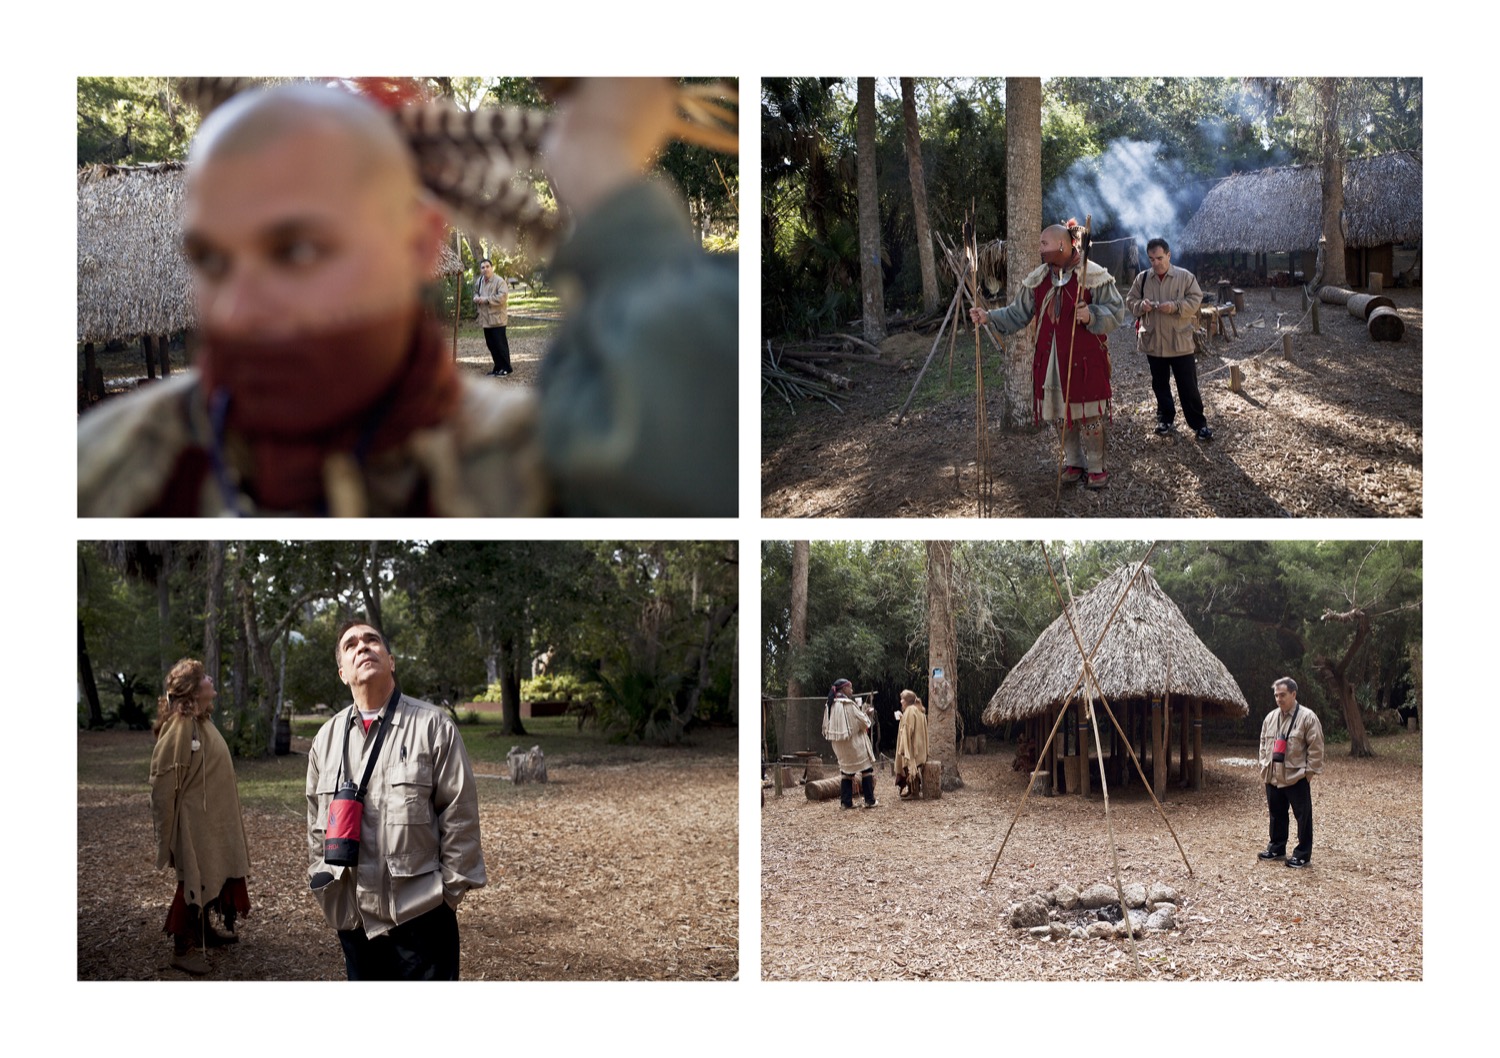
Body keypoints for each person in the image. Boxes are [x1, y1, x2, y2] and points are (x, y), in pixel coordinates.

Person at [78, 78, 736, 517]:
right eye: (211, 260)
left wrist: (601, 169)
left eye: (298, 250)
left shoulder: (537, 460)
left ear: (421, 245)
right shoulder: (102, 466)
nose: (237, 310)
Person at [305, 620, 486, 979]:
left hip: (422, 917)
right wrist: (324, 883)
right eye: (351, 644)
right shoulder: (325, 740)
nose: (363, 646)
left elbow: (460, 816)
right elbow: (315, 826)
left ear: (391, 661)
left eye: (372, 640)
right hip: (354, 920)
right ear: (342, 672)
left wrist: (445, 897)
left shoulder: (433, 726)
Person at [970, 221, 1125, 489]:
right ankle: (1074, 462)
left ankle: (1097, 467)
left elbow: (1116, 311)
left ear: (1062, 245)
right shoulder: (1039, 278)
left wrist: (1092, 315)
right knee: (1060, 415)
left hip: (1084, 359)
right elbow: (1017, 313)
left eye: (1044, 244)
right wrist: (988, 316)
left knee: (1088, 415)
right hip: (1050, 360)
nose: (1040, 249)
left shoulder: (1093, 274)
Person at [149, 658, 251, 976]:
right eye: (205, 676)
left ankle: (204, 931)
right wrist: (166, 838)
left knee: (214, 875)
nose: (211, 678)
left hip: (214, 823)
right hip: (195, 826)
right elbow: (163, 785)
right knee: (193, 881)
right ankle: (183, 947)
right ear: (194, 690)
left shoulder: (200, 721)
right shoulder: (180, 727)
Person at [1125, 237, 1211, 441]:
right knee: (1160, 384)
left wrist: (1175, 307)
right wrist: (1141, 306)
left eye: (1160, 258)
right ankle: (1165, 419)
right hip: (1154, 342)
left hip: (1179, 342)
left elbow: (1196, 299)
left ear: (1169, 255)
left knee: (1188, 386)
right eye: (1152, 259)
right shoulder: (1143, 278)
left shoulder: (1184, 277)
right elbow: (1130, 300)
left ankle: (1199, 424)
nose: (1156, 263)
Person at [1257, 677, 1324, 868]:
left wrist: (1309, 773)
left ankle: (1303, 854)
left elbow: (1316, 746)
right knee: (1276, 814)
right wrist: (1263, 765)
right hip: (1273, 775)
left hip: (1296, 776)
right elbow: (1263, 743)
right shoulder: (1270, 718)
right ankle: (1277, 848)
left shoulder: (1307, 717)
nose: (1279, 699)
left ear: (1293, 694)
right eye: (1276, 695)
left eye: (1283, 695)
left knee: (1303, 816)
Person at [822, 679, 877, 809]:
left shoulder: (829, 705)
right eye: (850, 688)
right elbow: (862, 723)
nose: (852, 691)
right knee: (866, 769)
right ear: (844, 689)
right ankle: (869, 800)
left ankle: (846, 802)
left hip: (839, 746)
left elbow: (825, 727)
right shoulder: (848, 704)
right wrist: (867, 714)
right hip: (854, 744)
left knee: (846, 772)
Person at [474, 258, 512, 376]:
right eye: (483, 267)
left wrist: (486, 300)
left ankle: (506, 368)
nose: (485, 269)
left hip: (497, 320)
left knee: (500, 344)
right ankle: (498, 367)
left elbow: (502, 297)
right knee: (491, 345)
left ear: (492, 268)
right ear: (480, 270)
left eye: (487, 266)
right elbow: (476, 292)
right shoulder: (480, 281)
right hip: (486, 320)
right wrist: (475, 297)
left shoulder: (499, 281)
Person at [893, 689, 929, 799]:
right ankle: (911, 790)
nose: (900, 702)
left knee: (910, 767)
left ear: (907, 701)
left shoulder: (910, 710)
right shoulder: (918, 710)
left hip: (912, 747)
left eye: (902, 699)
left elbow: (908, 729)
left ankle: (914, 792)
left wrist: (905, 747)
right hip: (919, 746)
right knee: (913, 767)